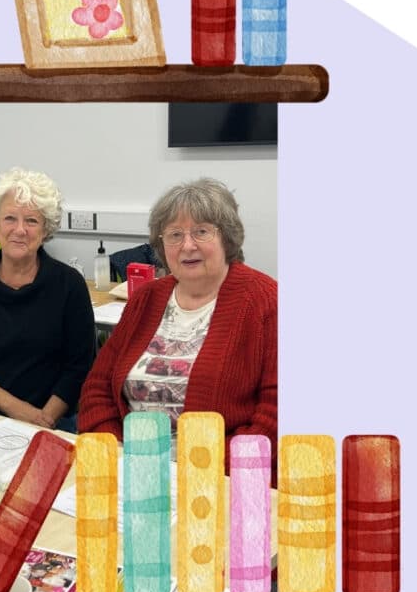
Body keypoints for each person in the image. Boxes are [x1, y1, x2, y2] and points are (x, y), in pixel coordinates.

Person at [77, 177, 277, 473]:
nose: (187, 245)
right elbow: (98, 387)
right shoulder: (146, 298)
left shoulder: (266, 301)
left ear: (227, 237)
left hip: (219, 474)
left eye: (202, 232)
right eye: (174, 234)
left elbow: (275, 416)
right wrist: (114, 448)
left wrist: (200, 468)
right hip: (132, 466)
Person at [0, 168, 95, 427]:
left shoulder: (69, 285)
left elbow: (80, 367)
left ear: (46, 229)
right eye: (10, 218)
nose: (20, 230)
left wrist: (43, 419)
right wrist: (16, 410)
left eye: (32, 221)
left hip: (51, 418)